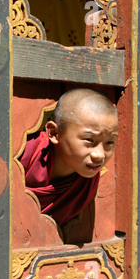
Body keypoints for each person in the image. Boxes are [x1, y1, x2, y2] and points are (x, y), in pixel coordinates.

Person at [19, 88, 119, 227]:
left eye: (109, 142)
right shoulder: (26, 151)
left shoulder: (87, 183)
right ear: (54, 133)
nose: (99, 155)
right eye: (89, 140)